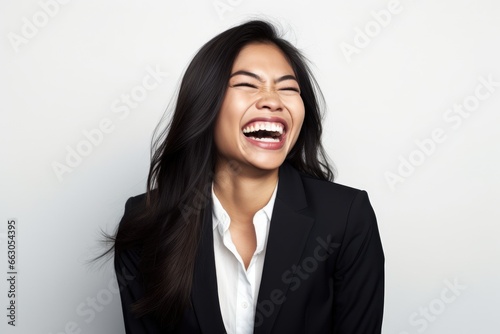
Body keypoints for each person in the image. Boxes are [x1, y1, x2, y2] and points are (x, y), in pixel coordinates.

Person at [111, 20, 384, 333]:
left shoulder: (346, 218)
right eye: (247, 84)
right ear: (205, 103)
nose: (273, 100)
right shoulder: (147, 222)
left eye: (288, 88)